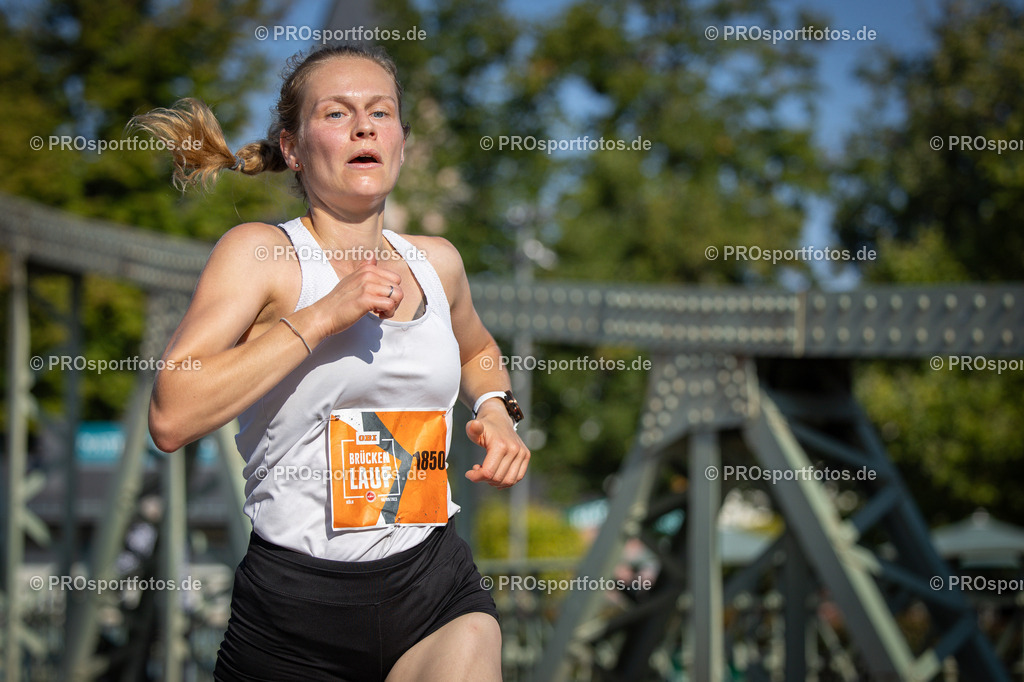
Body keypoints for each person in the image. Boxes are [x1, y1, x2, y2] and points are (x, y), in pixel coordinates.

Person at [132, 43, 529, 681]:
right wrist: (322, 316)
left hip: (432, 586)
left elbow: (479, 350)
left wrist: (498, 412)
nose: (364, 126)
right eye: (338, 114)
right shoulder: (263, 254)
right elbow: (172, 414)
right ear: (292, 148)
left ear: (401, 140)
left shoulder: (438, 263)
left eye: (381, 112)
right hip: (294, 616)